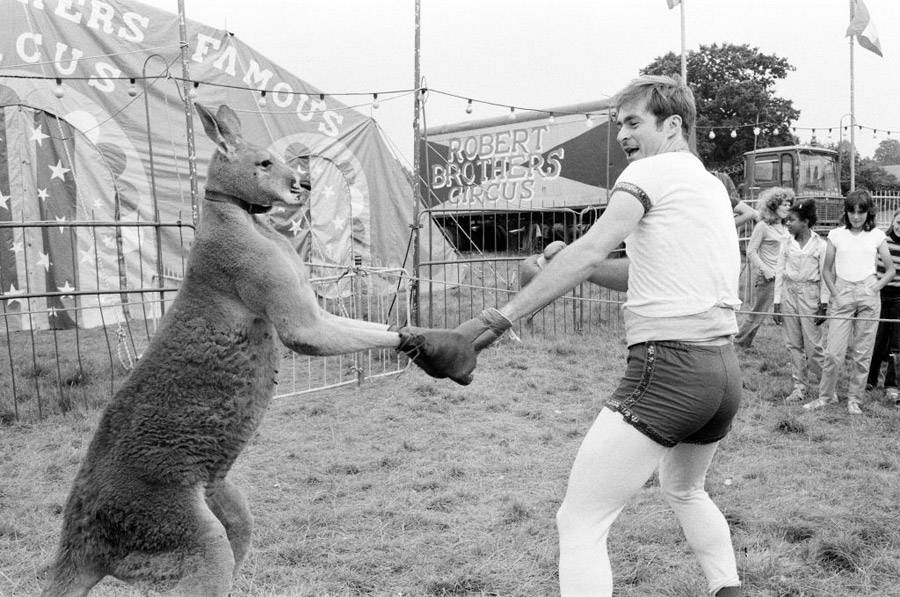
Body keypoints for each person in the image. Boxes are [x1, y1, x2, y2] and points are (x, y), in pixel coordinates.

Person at [457, 75, 742, 597]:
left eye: (633, 123)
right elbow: (636, 269)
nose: (623, 136)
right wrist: (571, 264)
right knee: (685, 489)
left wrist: (496, 321)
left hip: (670, 369)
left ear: (672, 125)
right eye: (619, 125)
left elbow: (591, 250)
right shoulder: (708, 185)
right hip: (722, 374)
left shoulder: (648, 172)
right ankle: (729, 588)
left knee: (580, 521)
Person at [803, 189, 895, 415]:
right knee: (833, 353)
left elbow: (890, 270)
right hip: (842, 293)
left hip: (868, 294)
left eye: (861, 212)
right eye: (852, 211)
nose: (856, 217)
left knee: (862, 352)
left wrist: (875, 287)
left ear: (868, 212)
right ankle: (826, 397)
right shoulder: (836, 235)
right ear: (846, 212)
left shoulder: (877, 236)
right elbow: (826, 270)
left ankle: (855, 399)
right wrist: (835, 293)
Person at [772, 199, 828, 403]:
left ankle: (826, 387)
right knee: (793, 344)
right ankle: (799, 386)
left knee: (813, 346)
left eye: (792, 220)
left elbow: (825, 276)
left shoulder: (820, 245)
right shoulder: (786, 243)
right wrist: (777, 302)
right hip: (789, 293)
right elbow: (779, 271)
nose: (787, 223)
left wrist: (824, 303)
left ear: (805, 222)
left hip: (810, 295)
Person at [733, 187, 793, 347]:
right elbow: (751, 251)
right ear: (774, 206)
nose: (788, 207)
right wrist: (765, 269)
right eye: (784, 204)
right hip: (769, 277)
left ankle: (795, 345)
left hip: (786, 276)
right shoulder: (763, 226)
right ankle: (740, 342)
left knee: (790, 312)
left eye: (789, 204)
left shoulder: (788, 227)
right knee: (758, 313)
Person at [865, 209, 900, 406]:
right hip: (879, 294)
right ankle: (869, 380)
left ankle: (892, 386)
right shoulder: (882, 241)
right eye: (899, 222)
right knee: (876, 340)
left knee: (897, 343)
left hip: (898, 297)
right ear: (893, 221)